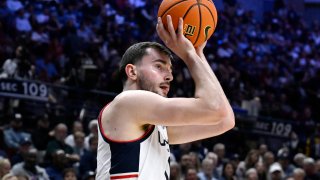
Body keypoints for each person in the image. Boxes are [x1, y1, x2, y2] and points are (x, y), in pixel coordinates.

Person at [96, 15, 235, 179]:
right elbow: (214, 109)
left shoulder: (155, 127)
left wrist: (198, 54)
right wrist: (189, 55)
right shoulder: (127, 102)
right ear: (132, 72)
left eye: (170, 70)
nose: (169, 76)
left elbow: (225, 120)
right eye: (159, 66)